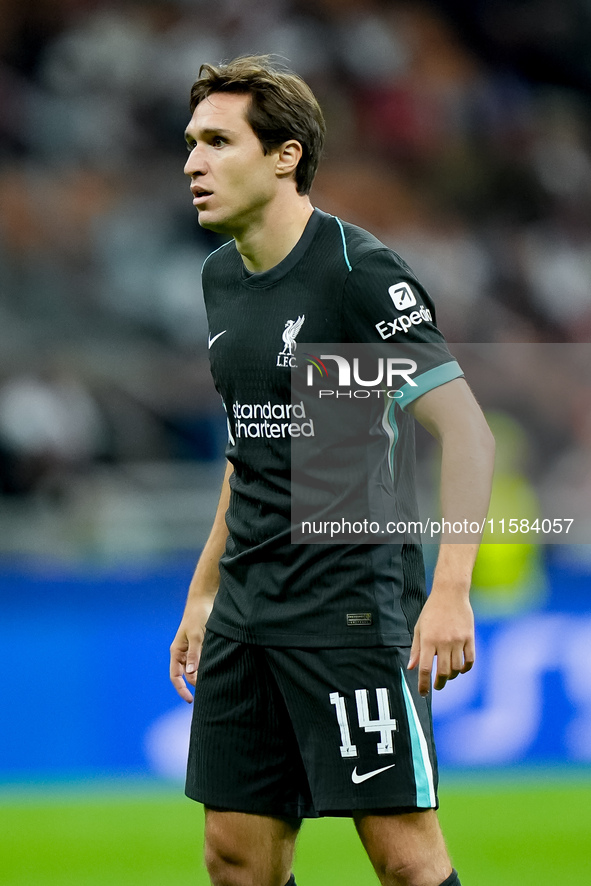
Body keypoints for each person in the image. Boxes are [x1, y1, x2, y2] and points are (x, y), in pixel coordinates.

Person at [170, 55, 495, 886]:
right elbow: (251, 451)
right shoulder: (220, 281)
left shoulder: (357, 275)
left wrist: (451, 589)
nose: (192, 164)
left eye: (216, 141)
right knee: (234, 856)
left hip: (348, 607)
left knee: (402, 860)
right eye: (189, 143)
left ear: (283, 156)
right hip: (249, 612)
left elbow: (466, 434)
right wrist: (206, 594)